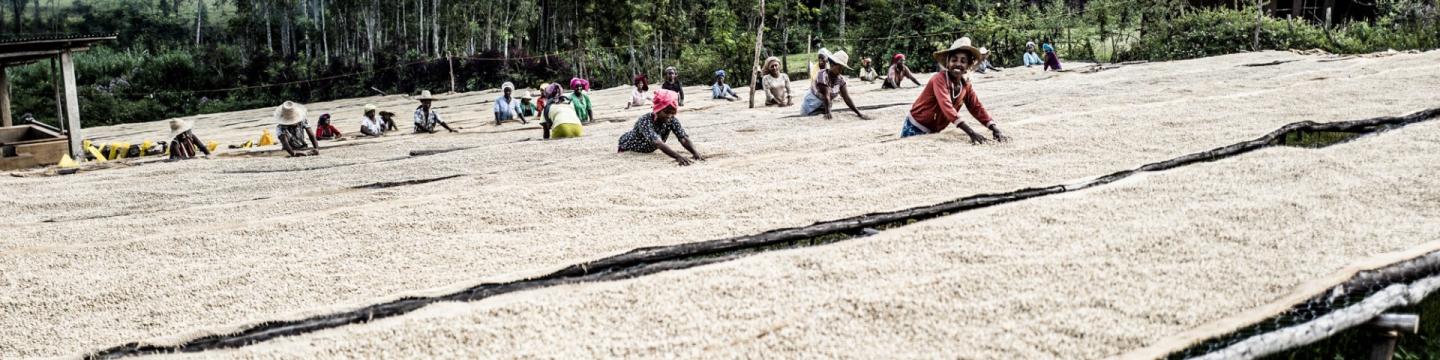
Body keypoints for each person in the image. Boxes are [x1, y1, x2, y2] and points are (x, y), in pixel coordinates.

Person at [900, 37, 1009, 144]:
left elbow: (976, 107)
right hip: (915, 126)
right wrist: (971, 133)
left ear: (968, 65)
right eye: (954, 60)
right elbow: (947, 107)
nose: (958, 64)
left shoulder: (965, 85)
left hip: (934, 131)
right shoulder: (939, 79)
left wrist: (994, 129)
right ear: (947, 63)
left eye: (963, 61)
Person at [618, 89, 703, 166]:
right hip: (627, 145)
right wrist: (678, 157)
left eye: (672, 112)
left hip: (647, 149)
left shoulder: (672, 120)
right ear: (658, 110)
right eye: (666, 112)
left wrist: (695, 153)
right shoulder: (645, 120)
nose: (669, 115)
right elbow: (657, 142)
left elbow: (683, 138)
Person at [800, 50, 870, 120]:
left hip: (823, 108)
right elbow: (826, 95)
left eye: (842, 68)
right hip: (810, 106)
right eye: (839, 67)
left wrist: (859, 113)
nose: (841, 70)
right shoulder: (822, 74)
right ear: (832, 64)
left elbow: (847, 98)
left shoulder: (840, 80)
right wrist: (828, 112)